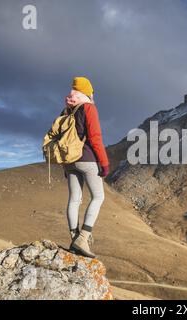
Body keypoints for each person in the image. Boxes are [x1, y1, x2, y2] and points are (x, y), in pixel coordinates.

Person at [62, 77, 109, 258]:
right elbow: (95, 137)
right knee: (98, 196)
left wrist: (65, 165)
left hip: (69, 161)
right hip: (87, 159)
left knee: (74, 199)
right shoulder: (88, 108)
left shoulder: (66, 109)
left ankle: (74, 238)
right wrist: (104, 163)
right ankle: (83, 238)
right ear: (87, 92)